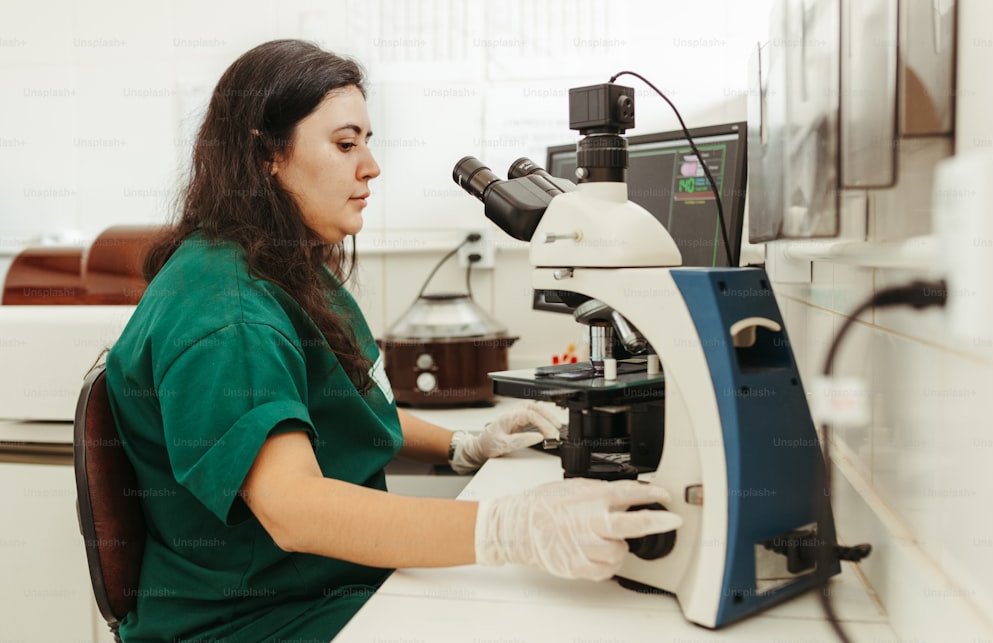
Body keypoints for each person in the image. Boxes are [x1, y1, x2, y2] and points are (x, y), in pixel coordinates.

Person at [105, 39, 678, 642]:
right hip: (256, 621)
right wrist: (507, 528)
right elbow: (293, 508)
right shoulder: (232, 317)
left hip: (319, 588)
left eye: (367, 143)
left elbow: (338, 412)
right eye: (345, 144)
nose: (370, 166)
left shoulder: (276, 267)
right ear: (266, 154)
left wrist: (463, 444)